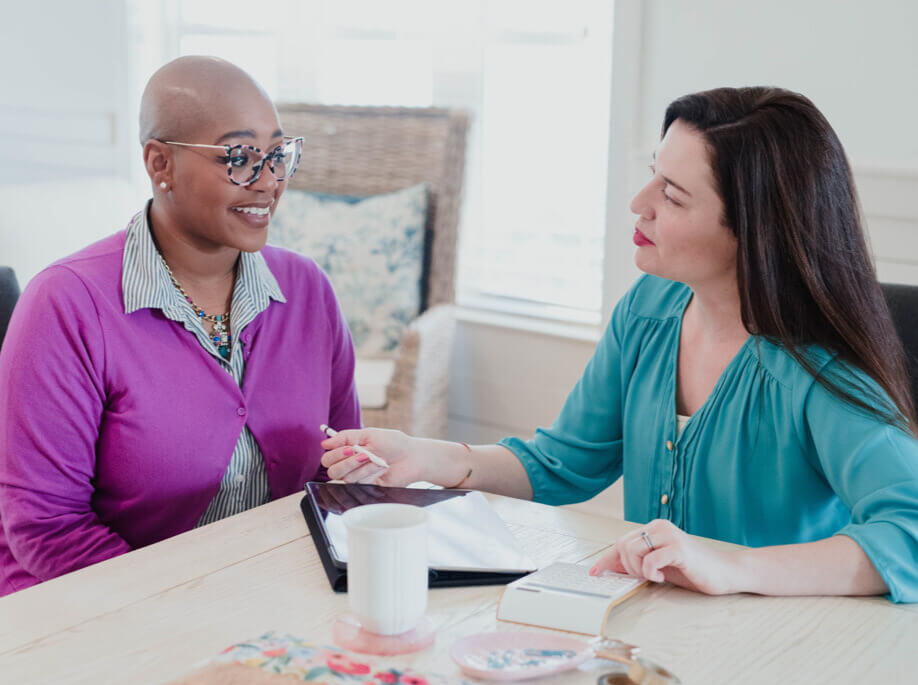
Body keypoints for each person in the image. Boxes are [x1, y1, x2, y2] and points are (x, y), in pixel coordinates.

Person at [321, 86, 918, 603]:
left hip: (779, 652)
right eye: (653, 173)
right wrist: (426, 459)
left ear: (755, 232)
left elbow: (908, 533)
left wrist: (731, 566)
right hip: (653, 630)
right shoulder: (649, 308)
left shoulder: (818, 366)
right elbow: (564, 464)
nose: (640, 204)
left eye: (674, 196)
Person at [0, 56, 360, 595]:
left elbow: (340, 476)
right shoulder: (67, 305)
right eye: (239, 156)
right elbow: (48, 531)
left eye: (279, 154)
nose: (268, 181)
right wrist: (196, 607)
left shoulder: (307, 290)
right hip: (90, 606)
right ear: (160, 163)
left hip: (269, 593)